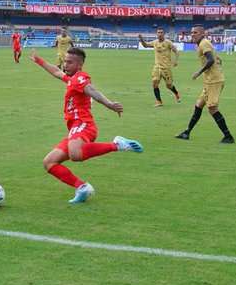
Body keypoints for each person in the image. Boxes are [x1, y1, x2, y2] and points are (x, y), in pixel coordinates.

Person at [30, 47, 143, 204]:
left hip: (83, 124)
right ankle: (82, 187)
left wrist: (109, 104)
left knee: (75, 154)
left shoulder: (80, 77)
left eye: (69, 62)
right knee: (49, 162)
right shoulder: (72, 79)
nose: (65, 65)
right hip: (74, 129)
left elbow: (91, 90)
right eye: (65, 61)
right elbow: (57, 72)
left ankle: (117, 144)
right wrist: (39, 61)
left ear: (79, 65)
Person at [176, 25, 234, 143]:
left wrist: (199, 72)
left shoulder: (204, 43)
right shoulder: (203, 44)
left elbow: (211, 60)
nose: (192, 34)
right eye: (191, 32)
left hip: (214, 81)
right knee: (198, 105)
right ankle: (187, 132)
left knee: (212, 108)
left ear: (202, 34)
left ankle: (228, 136)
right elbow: (214, 58)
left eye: (195, 32)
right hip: (209, 80)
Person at [138, 28, 181, 107]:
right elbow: (145, 45)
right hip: (157, 67)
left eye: (161, 32)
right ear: (156, 34)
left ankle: (176, 93)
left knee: (169, 85)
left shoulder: (168, 42)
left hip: (166, 68)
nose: (160, 34)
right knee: (154, 83)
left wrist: (176, 61)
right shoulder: (155, 42)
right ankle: (159, 101)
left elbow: (176, 52)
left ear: (164, 34)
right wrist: (141, 39)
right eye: (158, 32)